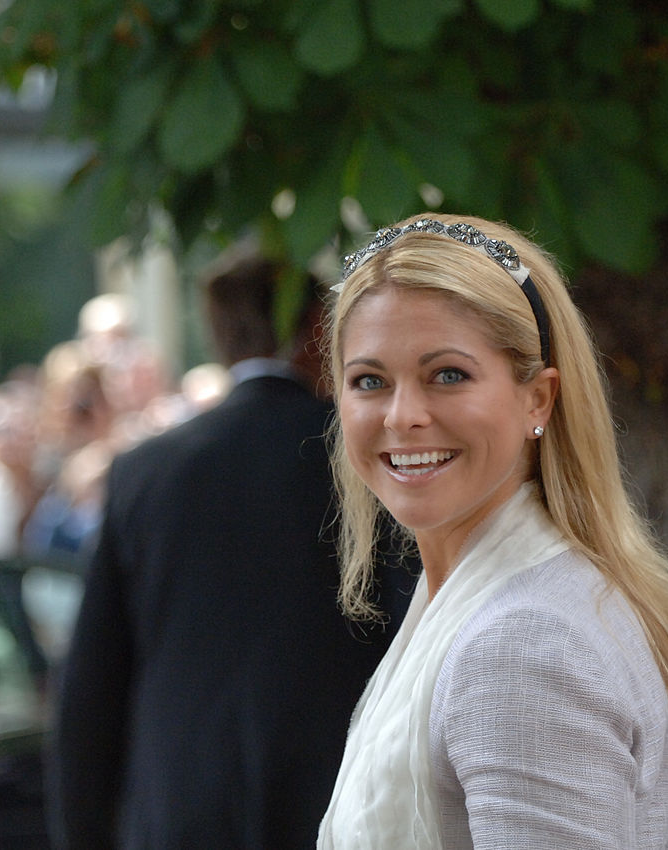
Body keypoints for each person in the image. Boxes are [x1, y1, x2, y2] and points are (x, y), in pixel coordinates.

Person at [317, 214, 668, 849]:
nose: (402, 415)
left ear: (538, 398)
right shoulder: (501, 600)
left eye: (448, 374)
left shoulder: (519, 645)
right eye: (370, 381)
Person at [48, 243, 408, 849]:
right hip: (338, 800)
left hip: (180, 805)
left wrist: (82, 830)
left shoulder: (147, 471)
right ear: (318, 327)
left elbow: (92, 684)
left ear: (218, 334)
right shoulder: (365, 461)